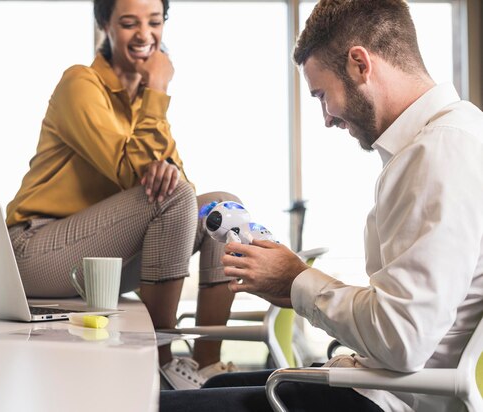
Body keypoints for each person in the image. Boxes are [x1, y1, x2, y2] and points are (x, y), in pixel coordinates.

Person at [160, 0, 483, 411]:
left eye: (321, 95)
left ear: (359, 64)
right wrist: (292, 285)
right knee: (204, 391)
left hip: (391, 399)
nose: (326, 118)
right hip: (385, 381)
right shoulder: (455, 136)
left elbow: (402, 338)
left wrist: (296, 281)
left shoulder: (438, 154)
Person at [5, 0, 239, 390]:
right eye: (129, 23)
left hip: (101, 260)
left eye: (154, 21)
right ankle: (161, 362)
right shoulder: (80, 84)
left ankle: (205, 367)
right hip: (34, 250)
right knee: (172, 194)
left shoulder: (142, 103)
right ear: (105, 26)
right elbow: (133, 172)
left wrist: (151, 102)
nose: (145, 34)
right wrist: (159, 89)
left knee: (220, 205)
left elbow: (181, 193)